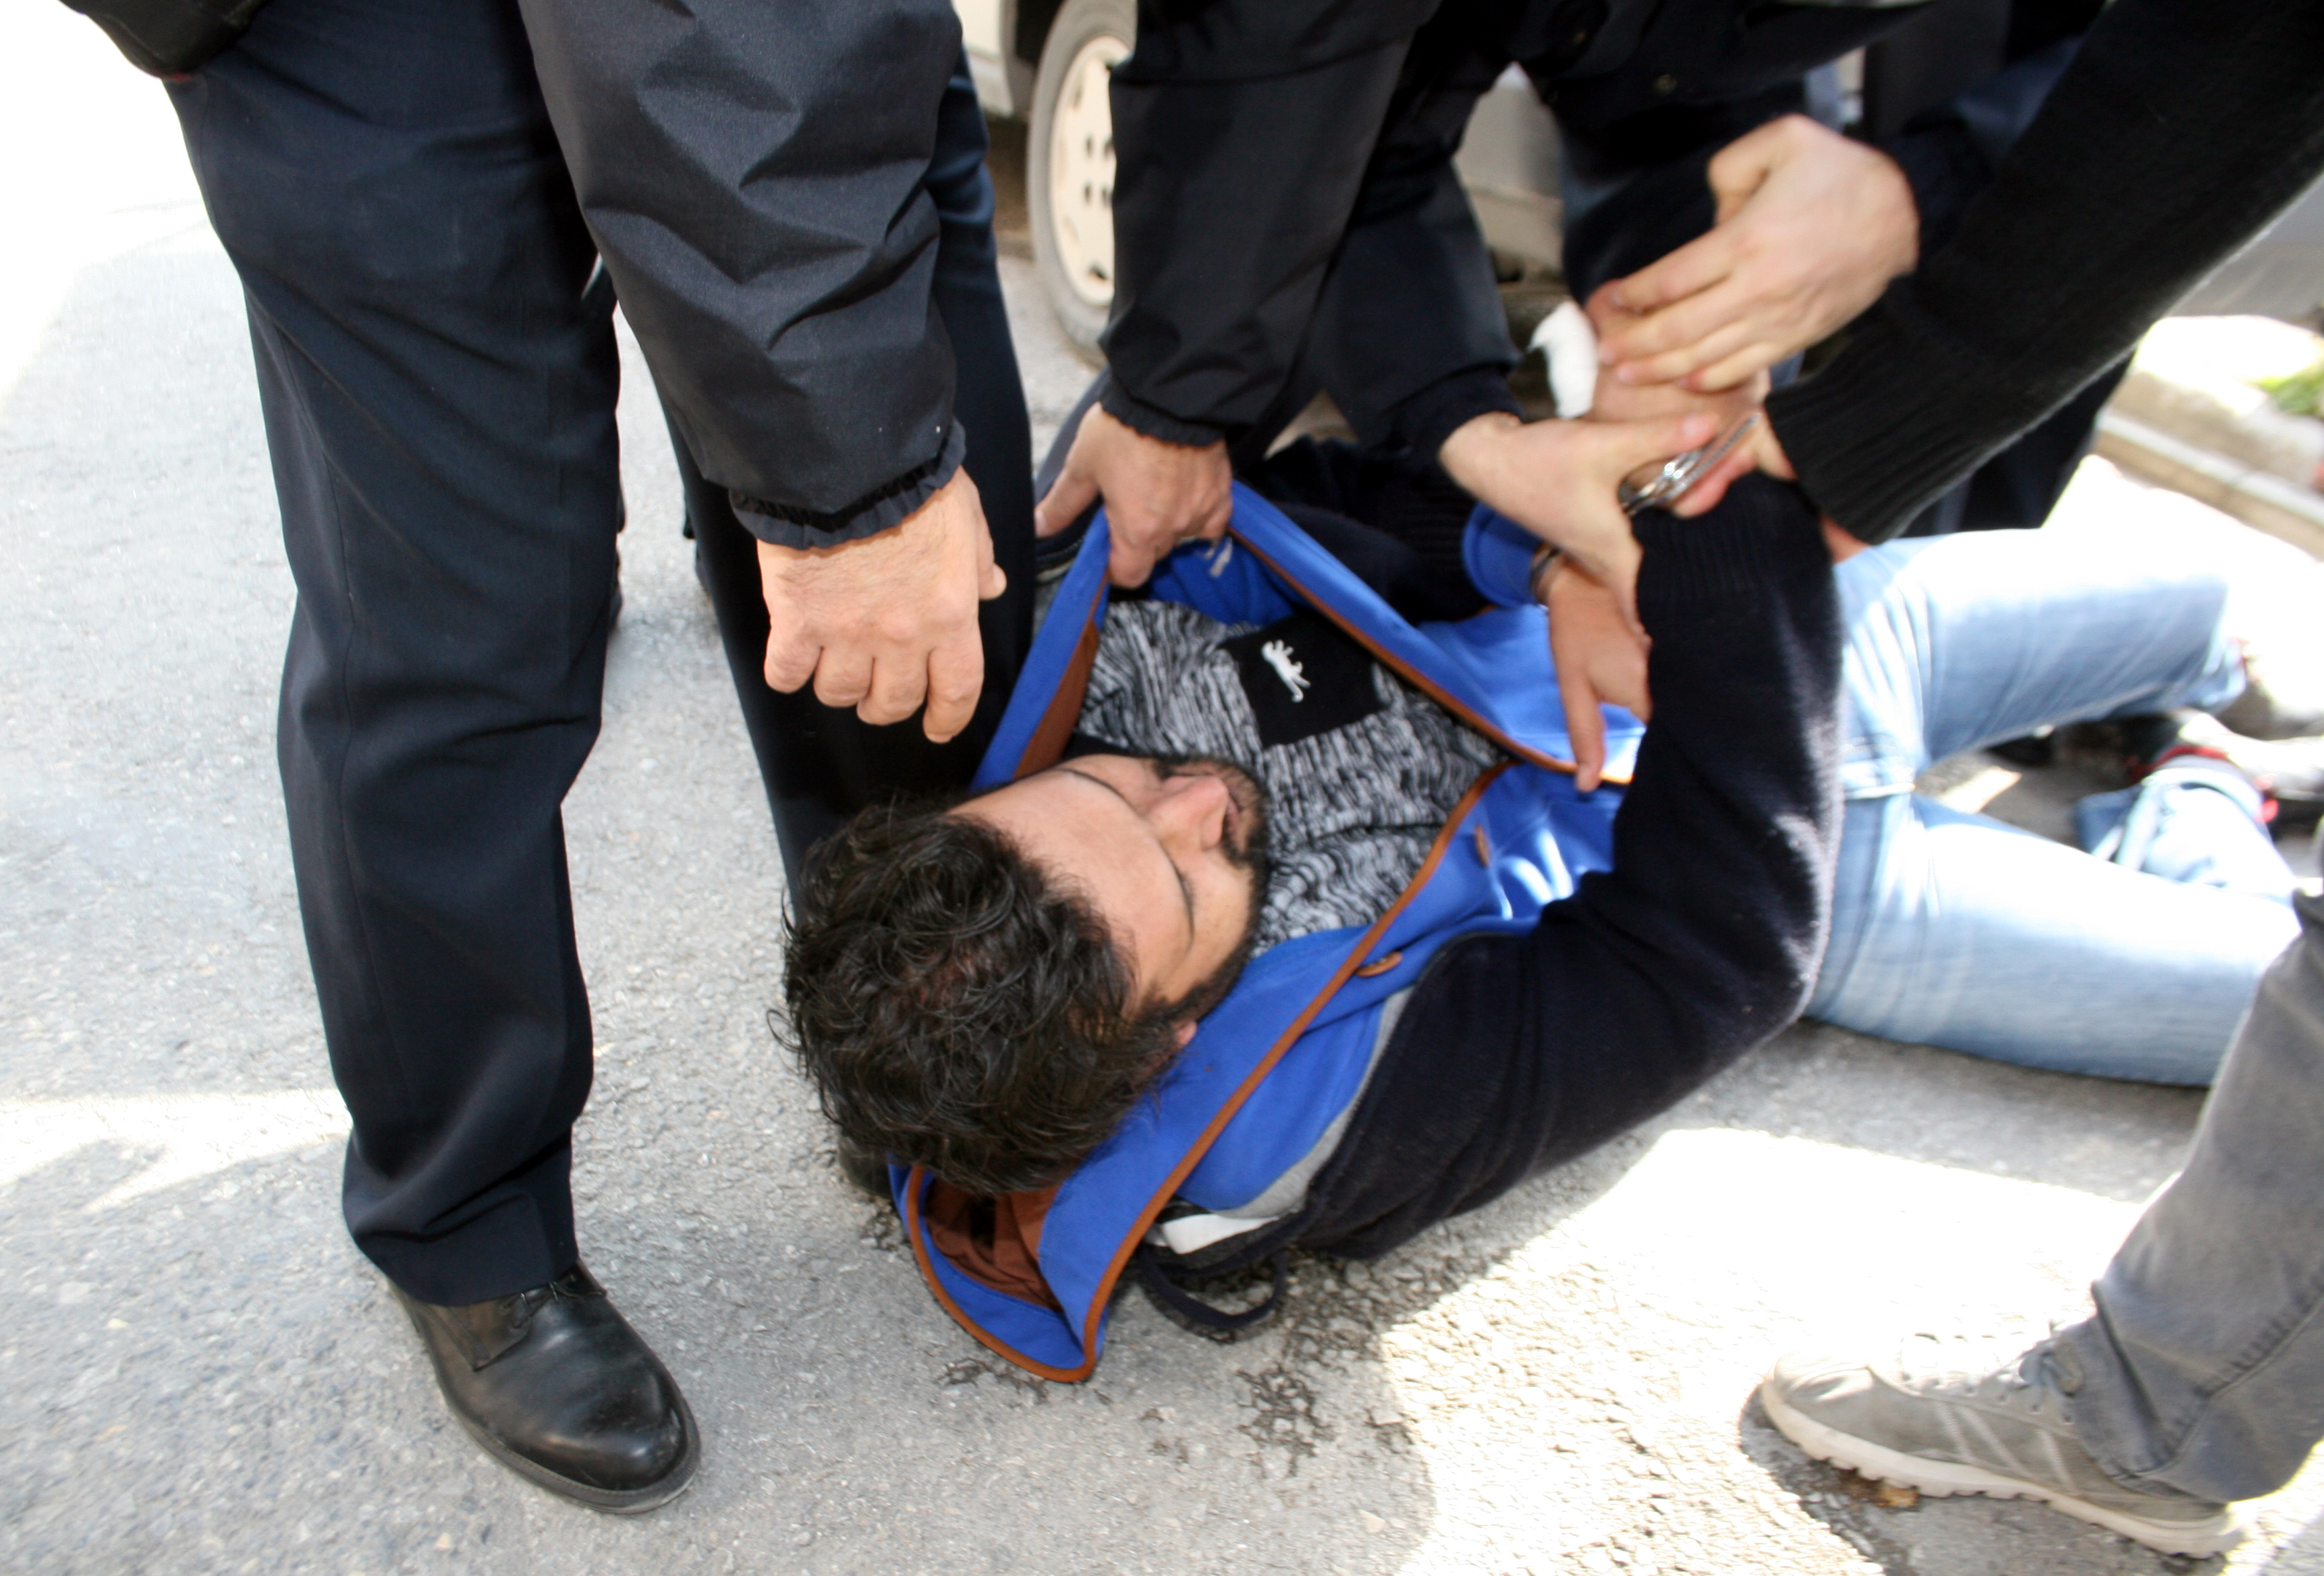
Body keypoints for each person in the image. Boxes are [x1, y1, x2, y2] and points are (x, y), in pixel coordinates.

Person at [781, 363, 2312, 1372]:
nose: (1193, 796)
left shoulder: (1083, 651)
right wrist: (1719, 559)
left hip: (1759, 636)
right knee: (2278, 998)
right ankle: (2191, 794)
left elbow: (1341, 488)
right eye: (1190, 878)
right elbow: (1705, 963)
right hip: (1822, 881)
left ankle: (2174, 727)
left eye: (1106, 785)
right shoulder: (1306, 1126)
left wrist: (1552, 559)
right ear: (1174, 1035)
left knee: (2211, 607)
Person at [96, 0, 1036, 1511]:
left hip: (789, 37)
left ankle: (924, 1053)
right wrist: (850, 485)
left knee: (915, 488)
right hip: (364, 35)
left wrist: (856, 464)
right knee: (462, 616)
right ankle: (467, 1220)